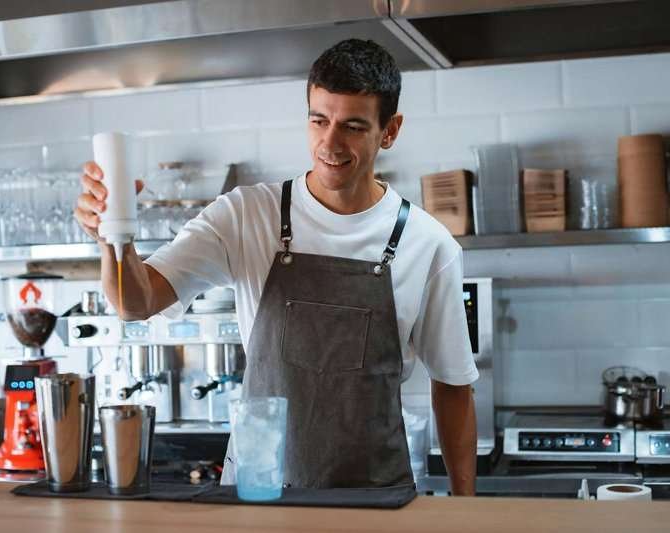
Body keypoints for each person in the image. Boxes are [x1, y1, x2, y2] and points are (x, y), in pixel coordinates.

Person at [75, 39, 478, 495]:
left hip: (374, 502)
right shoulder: (246, 214)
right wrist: (112, 239)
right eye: (319, 120)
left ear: (390, 131)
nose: (330, 143)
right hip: (258, 497)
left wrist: (467, 508)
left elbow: (453, 389)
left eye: (353, 126)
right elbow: (135, 303)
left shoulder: (428, 245)